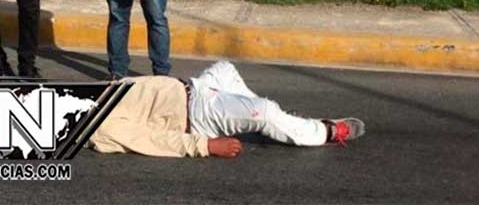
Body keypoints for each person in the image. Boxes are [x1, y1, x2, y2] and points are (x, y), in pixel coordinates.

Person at [88, 61, 366, 158]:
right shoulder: (94, 125)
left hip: (195, 89)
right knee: (264, 112)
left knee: (225, 69)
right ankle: (325, 131)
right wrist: (205, 146)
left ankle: (278, 120)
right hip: (197, 116)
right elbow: (151, 140)